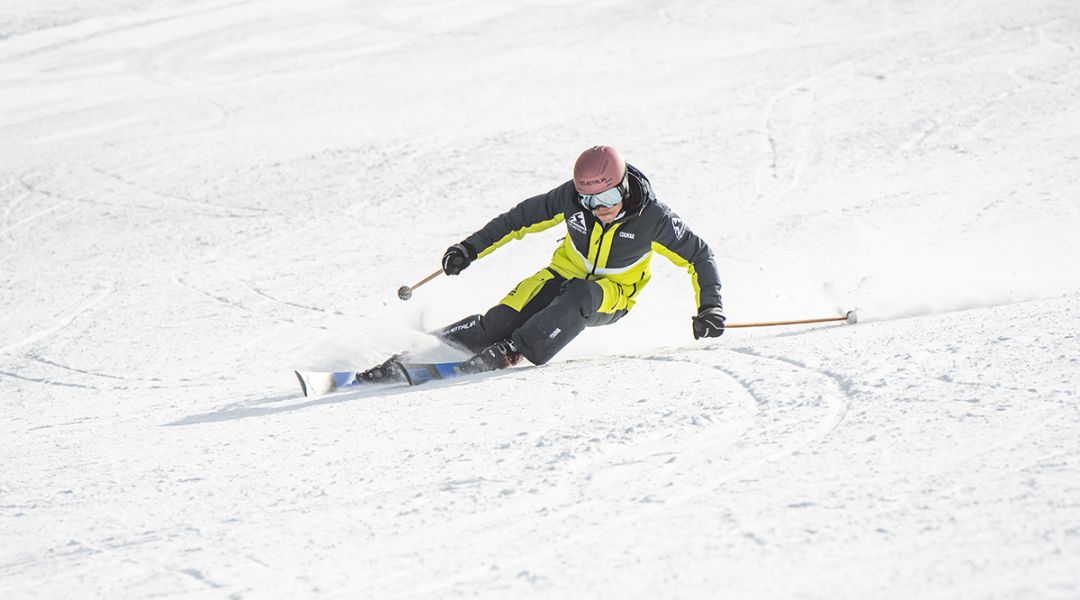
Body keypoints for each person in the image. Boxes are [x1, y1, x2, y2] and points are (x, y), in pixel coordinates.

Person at [359, 145, 725, 382]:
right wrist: (469, 248)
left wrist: (710, 307)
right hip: (559, 275)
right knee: (498, 321)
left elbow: (700, 255)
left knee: (581, 294)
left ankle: (516, 349)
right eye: (588, 200)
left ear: (624, 187)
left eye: (609, 196)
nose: (600, 208)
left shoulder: (654, 218)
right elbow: (518, 219)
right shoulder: (570, 199)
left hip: (612, 294)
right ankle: (424, 352)